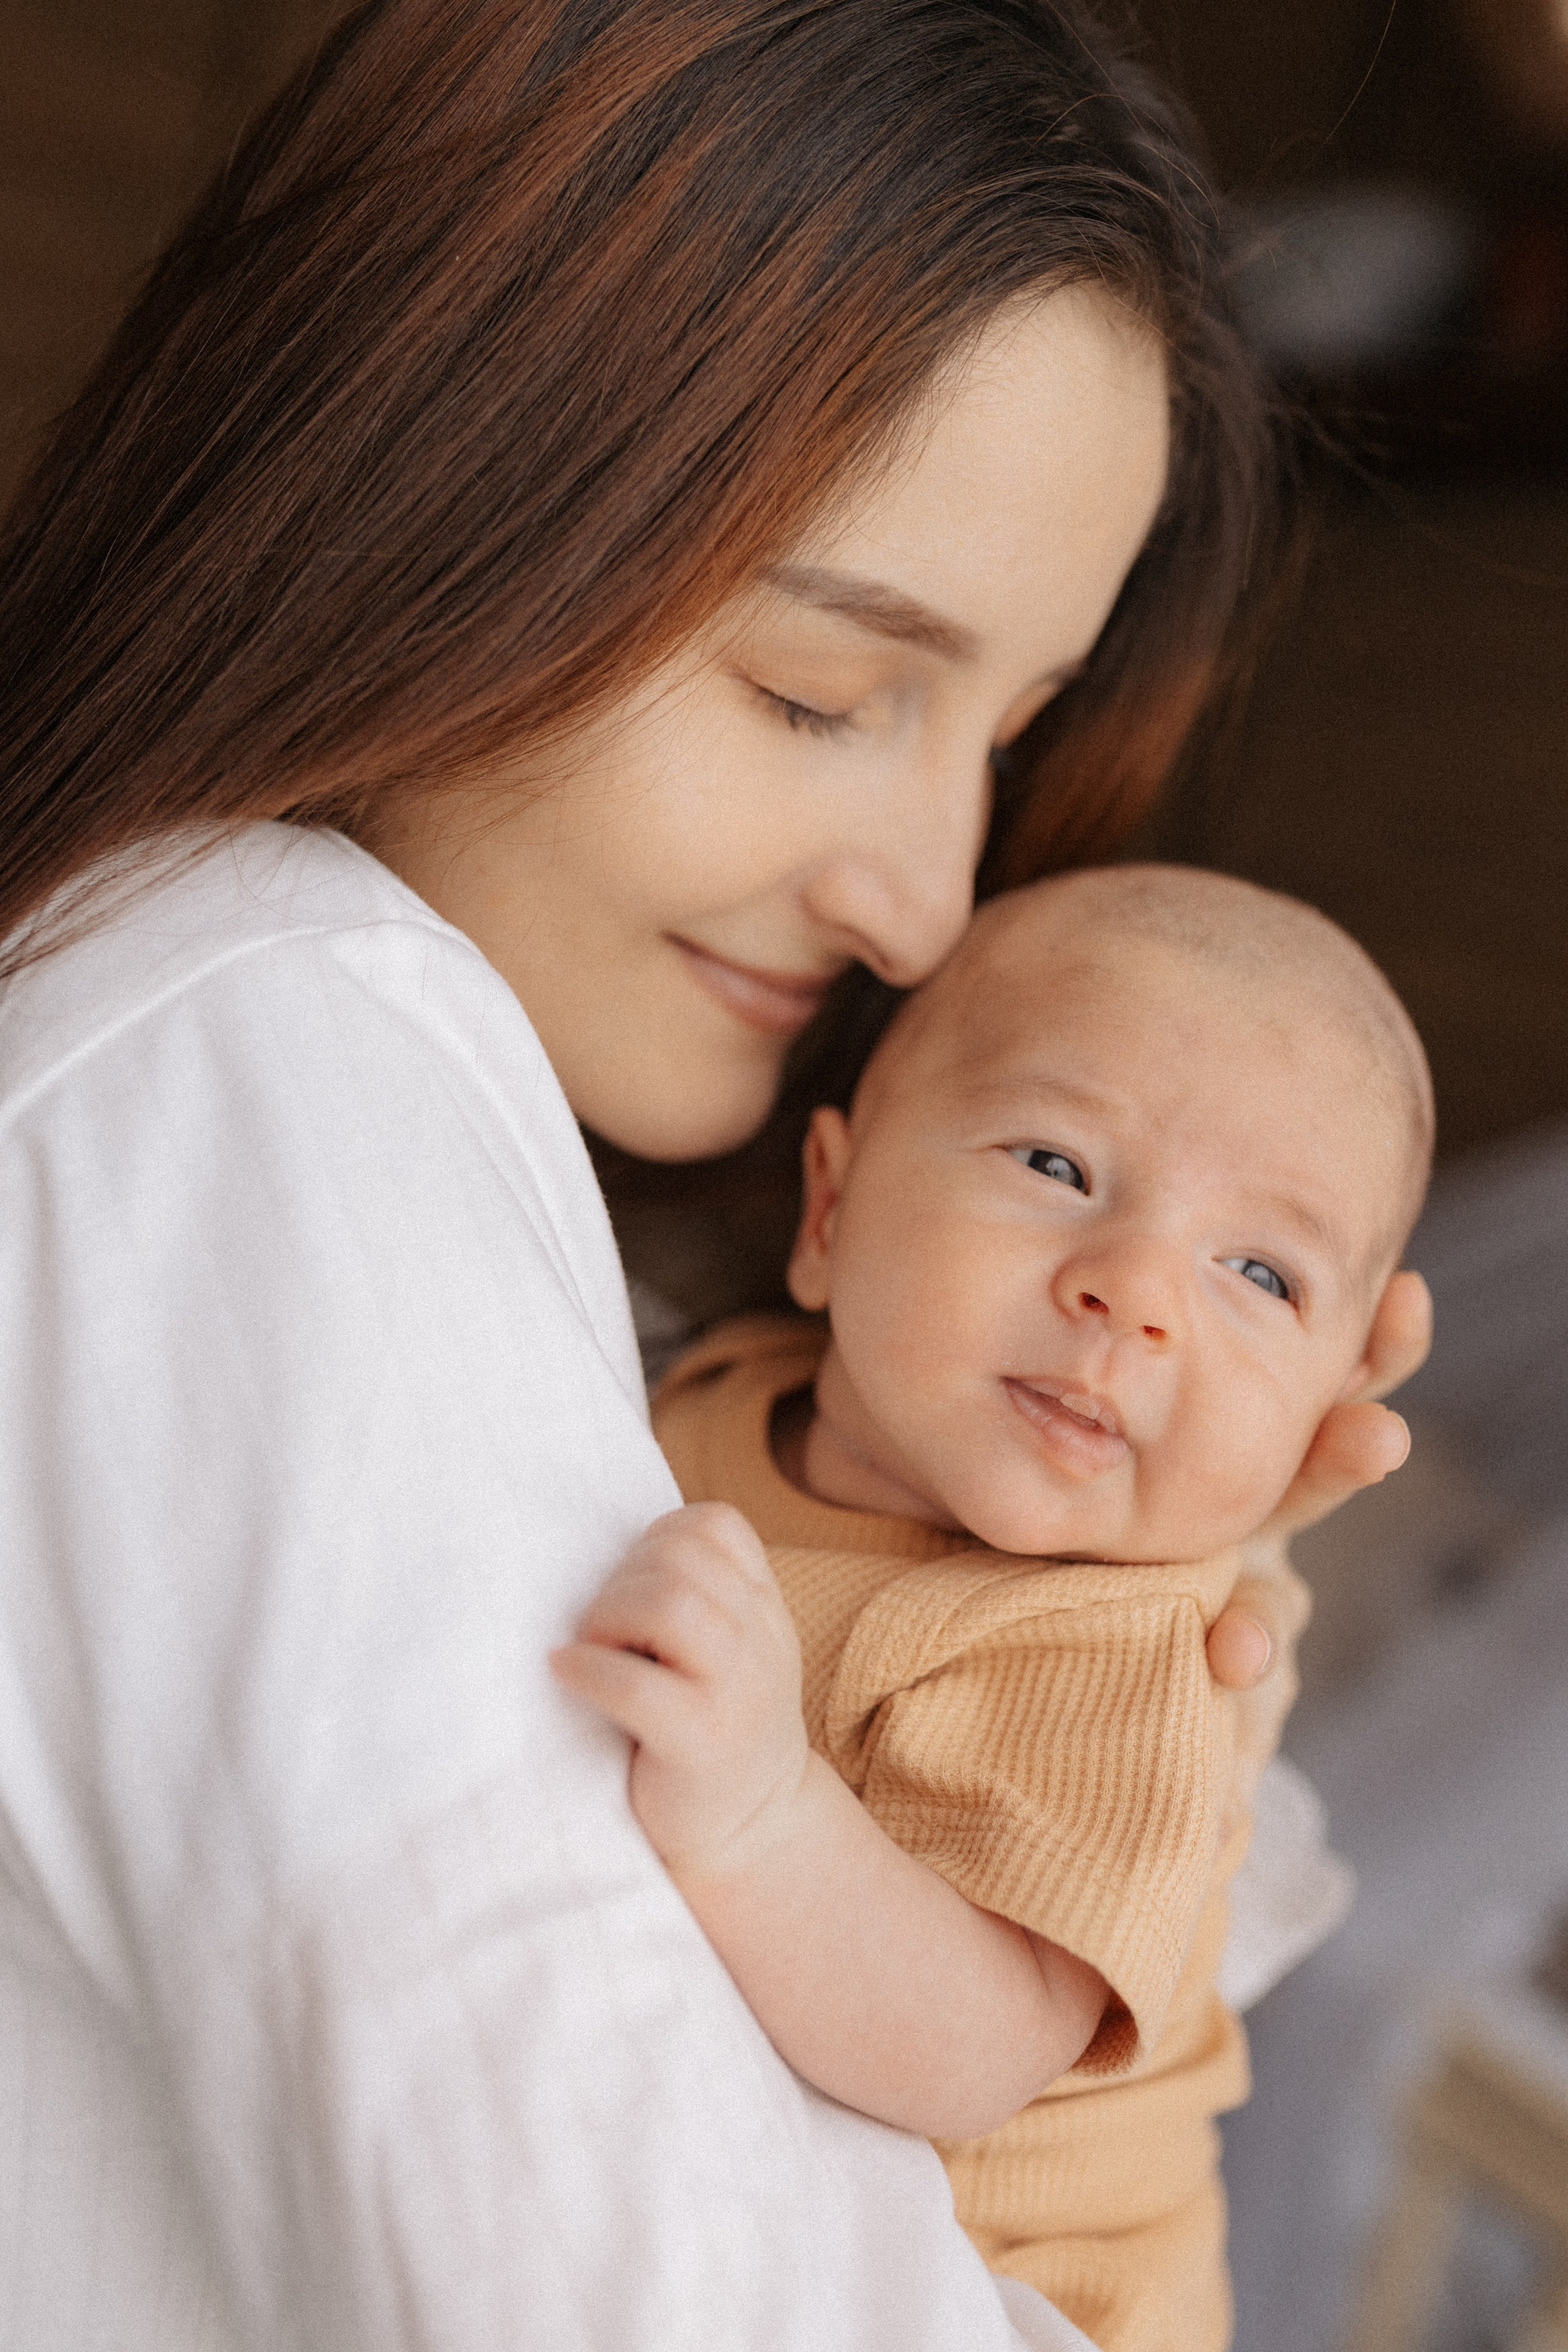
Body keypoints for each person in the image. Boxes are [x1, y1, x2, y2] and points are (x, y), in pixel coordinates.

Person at [0, 4, 1430, 2347]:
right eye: (815, 688)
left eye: (1010, 726)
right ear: (440, 479)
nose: (929, 908)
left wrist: (1104, 1589)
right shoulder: (276, 1045)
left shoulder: (447, 1177)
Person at [557, 864, 1434, 2352]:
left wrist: (765, 1813)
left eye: (1256, 1272)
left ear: (1321, 1413)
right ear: (830, 1209)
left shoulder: (1113, 1651)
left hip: (1023, 2298)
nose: (1136, 1293)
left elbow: (968, 2052)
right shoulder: (710, 1392)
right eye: (1054, 1166)